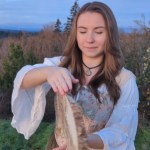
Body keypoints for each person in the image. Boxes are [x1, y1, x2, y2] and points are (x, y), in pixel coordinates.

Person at [11, 1, 139, 150]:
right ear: (75, 34)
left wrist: (81, 140)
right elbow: (23, 79)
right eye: (83, 31)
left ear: (110, 34)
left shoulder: (125, 79)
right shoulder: (62, 64)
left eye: (98, 32)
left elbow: (122, 132)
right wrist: (49, 72)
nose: (89, 39)